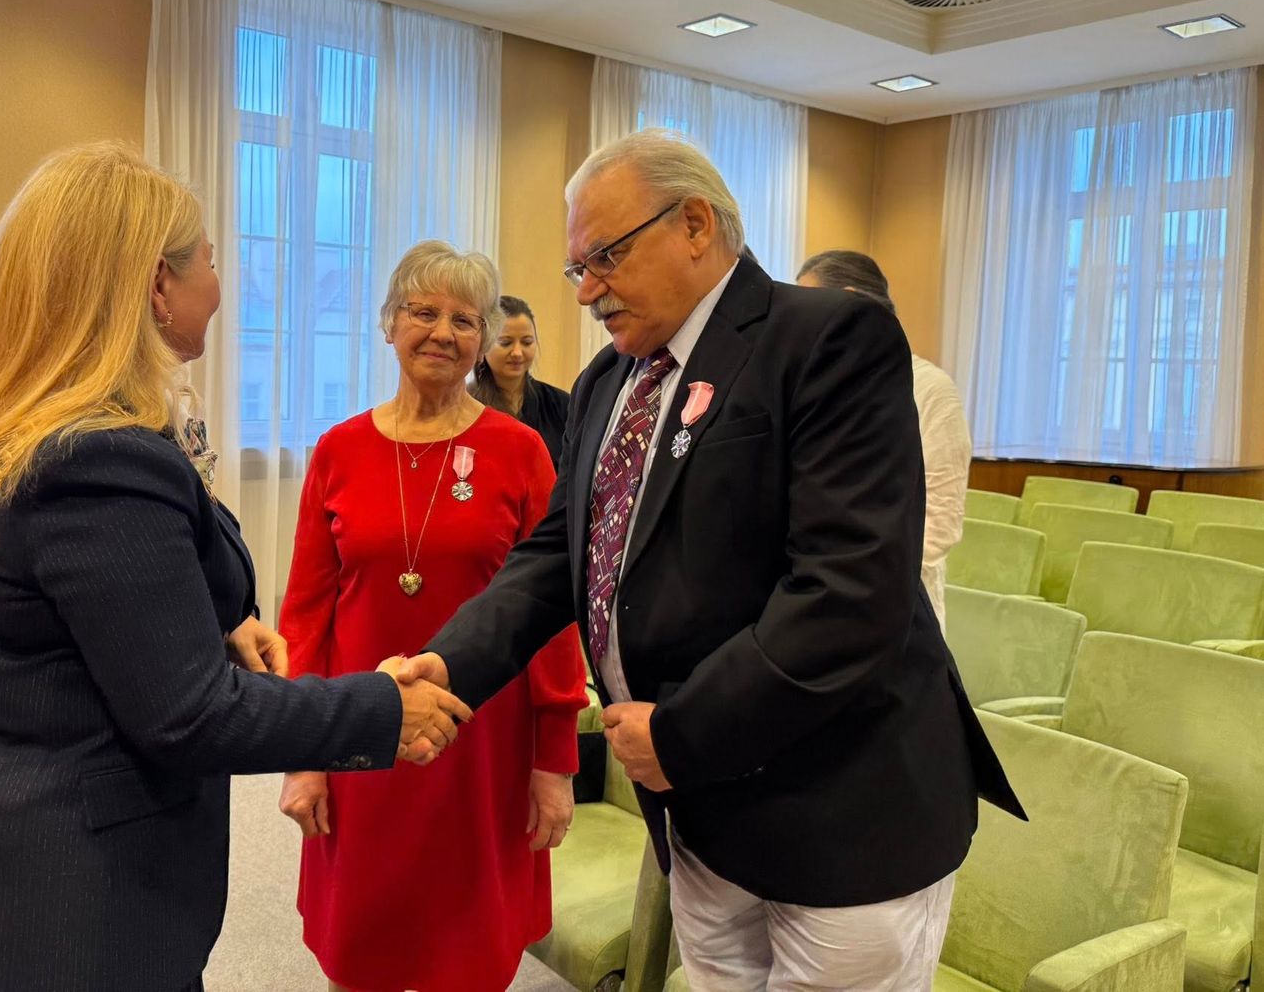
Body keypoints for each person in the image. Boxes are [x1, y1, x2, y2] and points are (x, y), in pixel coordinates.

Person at [400, 130, 1022, 990]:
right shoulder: (606, 383)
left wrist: (680, 735)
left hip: (839, 812)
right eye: (578, 267)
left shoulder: (828, 339)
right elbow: (555, 553)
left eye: (605, 257)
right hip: (697, 811)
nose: (586, 290)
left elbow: (847, 590)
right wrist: (451, 662)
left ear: (694, 224)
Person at [0, 144, 470, 992]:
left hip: (17, 861)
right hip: (60, 907)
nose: (221, 283)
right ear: (158, 286)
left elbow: (91, 614)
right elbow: (190, 716)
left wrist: (216, 623)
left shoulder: (58, 431)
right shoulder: (97, 460)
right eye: (210, 259)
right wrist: (383, 708)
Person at [277, 240, 587, 992]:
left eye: (465, 319)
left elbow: (553, 618)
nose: (443, 332)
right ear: (389, 324)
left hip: (485, 742)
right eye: (423, 312)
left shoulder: (521, 451)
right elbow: (307, 613)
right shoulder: (338, 450)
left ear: (483, 340)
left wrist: (553, 762)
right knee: (364, 940)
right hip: (360, 728)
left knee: (468, 949)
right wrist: (302, 751)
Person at [796, 250, 971, 626]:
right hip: (820, 598)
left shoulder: (931, 389)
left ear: (849, 303)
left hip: (896, 608)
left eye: (810, 306)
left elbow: (941, 522)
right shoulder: (821, 385)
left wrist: (853, 574)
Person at [469, 294, 571, 468]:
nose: (517, 352)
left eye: (527, 342)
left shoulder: (561, 404)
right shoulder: (465, 405)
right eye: (505, 342)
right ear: (483, 345)